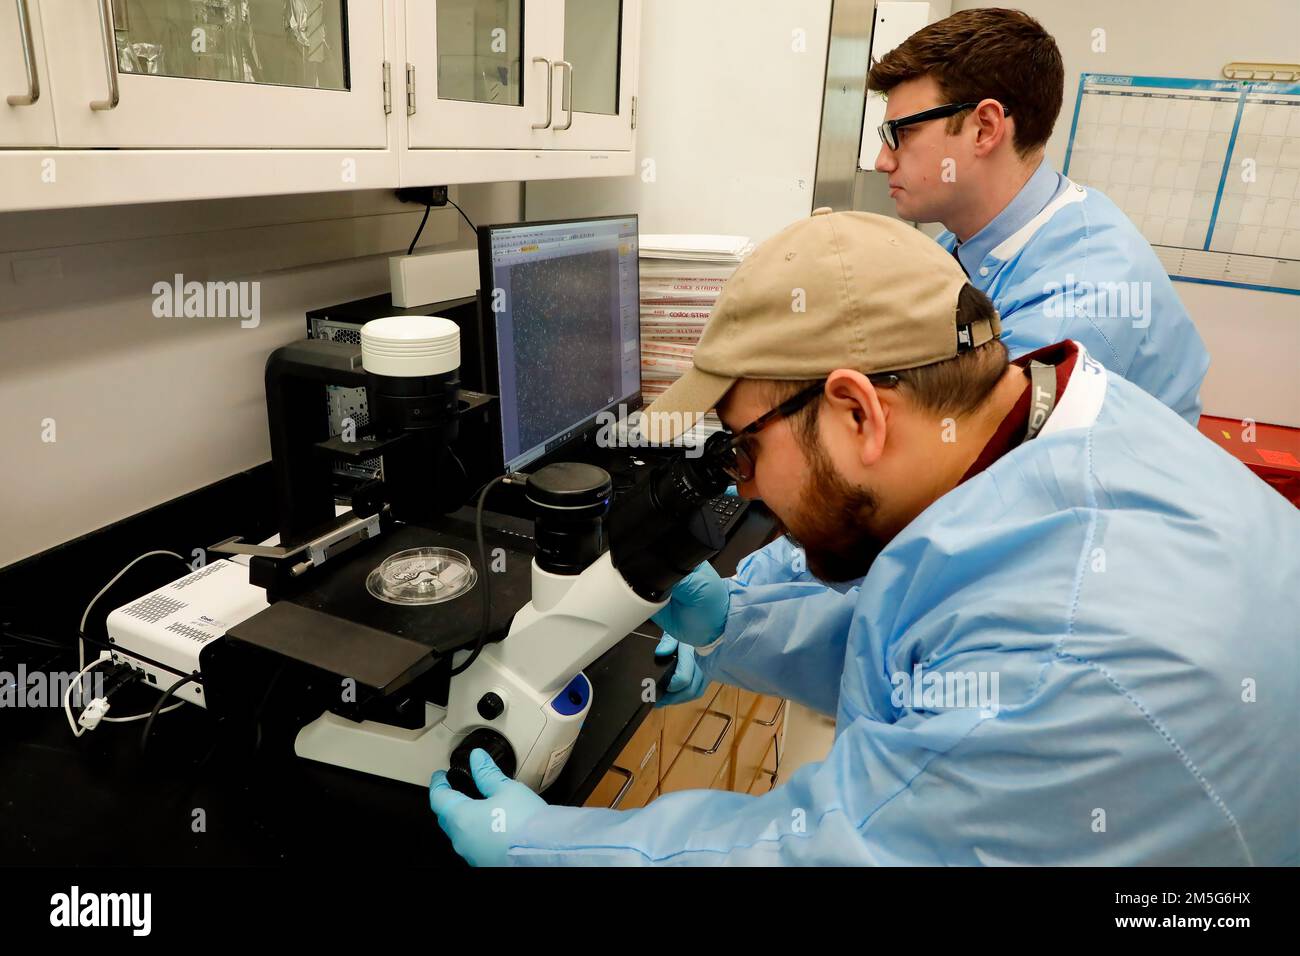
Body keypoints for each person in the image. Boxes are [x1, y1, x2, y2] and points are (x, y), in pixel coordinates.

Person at [429, 210, 1298, 865]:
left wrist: (543, 848)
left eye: (745, 448)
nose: (744, 485)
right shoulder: (1068, 425)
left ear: (857, 411)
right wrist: (739, 625)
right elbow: (949, 645)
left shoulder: (1064, 654)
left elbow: (835, 850)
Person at [869, 7, 1209, 425]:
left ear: (985, 128)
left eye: (900, 134)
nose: (882, 160)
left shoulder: (1079, 299)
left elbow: (968, 446)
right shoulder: (973, 240)